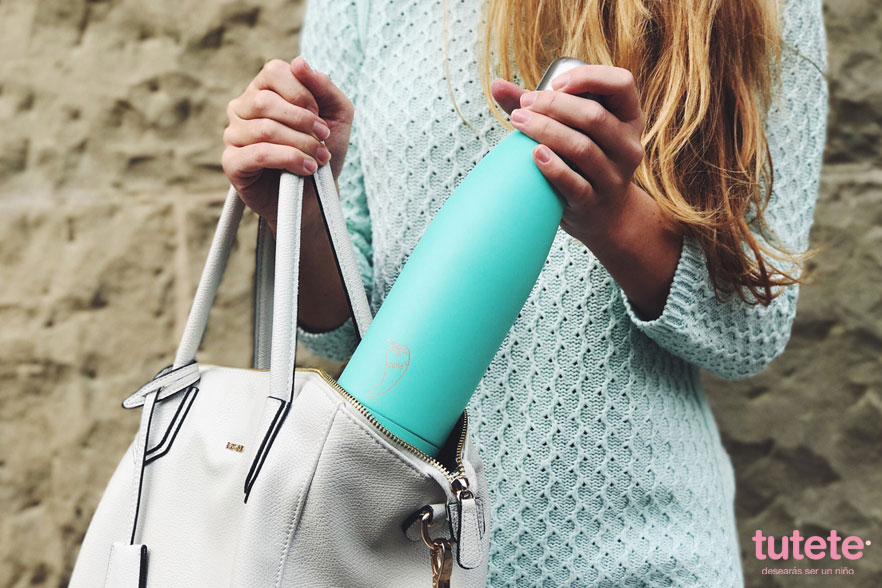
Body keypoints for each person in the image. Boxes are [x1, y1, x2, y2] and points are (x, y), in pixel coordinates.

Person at [221, 0, 828, 584]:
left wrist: (616, 218)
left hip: (641, 559)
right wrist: (297, 210)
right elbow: (344, 335)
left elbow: (750, 330)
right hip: (396, 558)